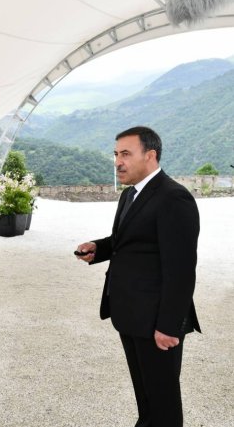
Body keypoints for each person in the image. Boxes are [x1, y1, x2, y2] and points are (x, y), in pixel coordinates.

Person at [76, 126, 200, 427]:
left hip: (157, 322)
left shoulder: (174, 198)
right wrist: (99, 248)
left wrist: (168, 326)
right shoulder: (130, 194)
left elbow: (181, 270)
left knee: (163, 402)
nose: (118, 162)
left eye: (126, 154)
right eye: (116, 154)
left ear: (150, 155)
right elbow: (129, 240)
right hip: (131, 315)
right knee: (146, 398)